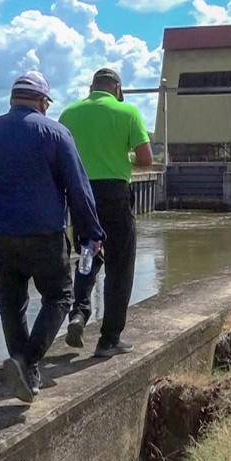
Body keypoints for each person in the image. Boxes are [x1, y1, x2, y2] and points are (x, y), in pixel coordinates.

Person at [0, 71, 104, 403]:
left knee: (11, 302)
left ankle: (25, 373)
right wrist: (92, 233)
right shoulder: (56, 134)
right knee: (60, 296)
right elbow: (79, 189)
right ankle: (28, 360)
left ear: (12, 99)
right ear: (42, 101)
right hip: (43, 233)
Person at [57, 68, 153, 358]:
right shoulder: (128, 112)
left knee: (88, 254)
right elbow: (146, 159)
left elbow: (60, 157)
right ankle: (109, 339)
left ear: (91, 88)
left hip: (82, 196)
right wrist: (119, 161)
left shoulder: (68, 114)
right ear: (118, 89)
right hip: (115, 195)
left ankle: (79, 312)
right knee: (120, 265)